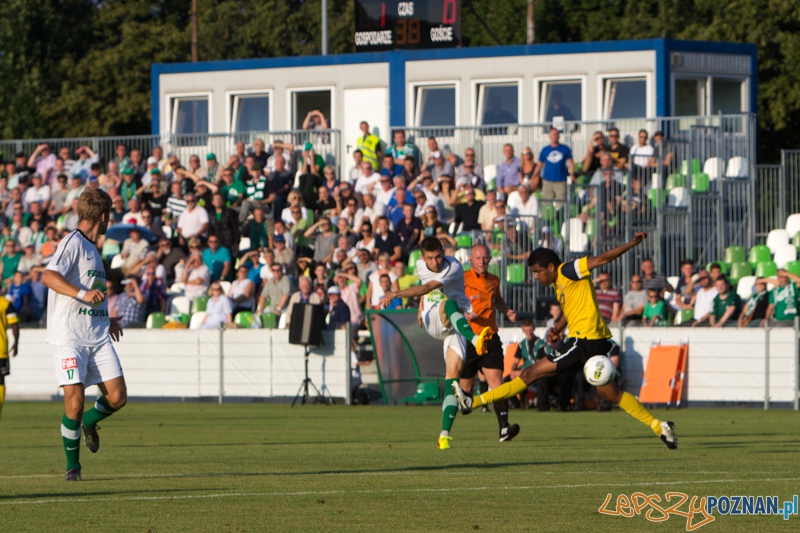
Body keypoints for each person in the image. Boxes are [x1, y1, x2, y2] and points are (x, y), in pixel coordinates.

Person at [456, 233, 677, 450]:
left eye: (537, 272)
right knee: (610, 394)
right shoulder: (559, 282)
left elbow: (601, 259)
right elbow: (571, 308)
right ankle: (659, 426)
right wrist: (558, 327)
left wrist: (631, 243)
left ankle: (472, 402)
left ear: (551, 267)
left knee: (529, 373)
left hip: (584, 341)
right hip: (594, 341)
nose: (535, 277)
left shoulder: (568, 270)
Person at [41, 187, 127, 481]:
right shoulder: (73, 241)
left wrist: (107, 318)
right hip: (69, 339)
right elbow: (48, 276)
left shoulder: (93, 249)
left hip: (97, 336)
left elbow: (94, 296)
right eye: (109, 216)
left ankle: (89, 423)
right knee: (74, 404)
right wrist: (82, 293)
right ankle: (73, 468)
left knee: (117, 398)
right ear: (102, 216)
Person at [380, 237, 493, 450]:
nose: (436, 262)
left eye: (439, 256)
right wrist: (419, 307)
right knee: (448, 304)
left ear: (444, 252)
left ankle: (444, 435)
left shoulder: (454, 266)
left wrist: (397, 294)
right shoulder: (420, 264)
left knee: (452, 378)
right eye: (430, 258)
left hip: (455, 325)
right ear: (422, 258)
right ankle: (476, 339)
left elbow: (427, 287)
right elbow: (426, 288)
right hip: (434, 318)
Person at [459, 244, 520, 442]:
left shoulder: (494, 279)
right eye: (478, 258)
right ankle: (455, 416)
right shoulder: (462, 280)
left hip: (490, 336)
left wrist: (507, 311)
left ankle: (504, 429)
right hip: (469, 337)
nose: (482, 261)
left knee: (497, 384)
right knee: (466, 389)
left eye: (486, 257)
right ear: (471, 259)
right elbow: (451, 303)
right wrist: (464, 313)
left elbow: (497, 301)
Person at [533, 128, 575, 200]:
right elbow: (539, 164)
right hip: (547, 181)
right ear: (549, 136)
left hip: (561, 181)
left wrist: (572, 174)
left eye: (556, 134)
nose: (554, 136)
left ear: (559, 136)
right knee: (547, 203)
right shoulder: (545, 149)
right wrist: (533, 176)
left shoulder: (565, 148)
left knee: (561, 202)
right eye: (552, 134)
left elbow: (571, 162)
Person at [0, 288, 20, 417]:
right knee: (0, 381)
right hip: (1, 349)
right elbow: (14, 325)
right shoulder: (5, 303)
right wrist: (16, 342)